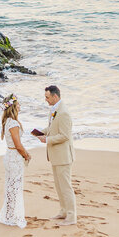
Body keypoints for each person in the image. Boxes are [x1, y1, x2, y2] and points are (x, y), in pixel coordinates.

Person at [36, 84, 76, 225]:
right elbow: (52, 127)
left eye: (47, 97)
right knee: (59, 186)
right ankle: (63, 211)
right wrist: (42, 132)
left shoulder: (64, 112)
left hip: (64, 156)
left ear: (55, 96)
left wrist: (47, 140)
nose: (46, 100)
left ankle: (71, 216)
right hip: (55, 156)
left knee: (66, 186)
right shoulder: (54, 110)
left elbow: (65, 136)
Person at [0, 95, 31, 228]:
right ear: (13, 107)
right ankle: (12, 216)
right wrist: (26, 155)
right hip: (14, 158)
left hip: (9, 155)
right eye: (18, 105)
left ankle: (9, 214)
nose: (20, 107)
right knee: (15, 187)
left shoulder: (7, 122)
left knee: (10, 186)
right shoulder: (14, 123)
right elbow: (18, 145)